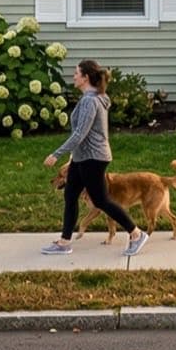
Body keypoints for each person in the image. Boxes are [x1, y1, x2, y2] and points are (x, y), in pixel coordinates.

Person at [42, 59, 147, 257]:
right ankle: (64, 242)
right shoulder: (91, 98)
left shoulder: (91, 100)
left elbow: (80, 133)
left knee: (101, 200)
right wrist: (73, 156)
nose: (73, 76)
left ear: (85, 77)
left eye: (76, 73)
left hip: (94, 158)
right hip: (82, 158)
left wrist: (56, 154)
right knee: (71, 195)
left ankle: (136, 234)